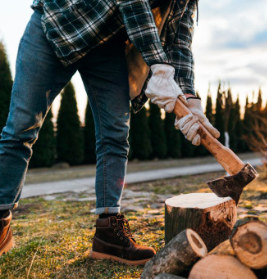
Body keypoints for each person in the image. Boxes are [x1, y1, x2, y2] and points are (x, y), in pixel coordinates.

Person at [0, 0, 219, 265]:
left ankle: (108, 232)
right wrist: (159, 67)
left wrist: (190, 98)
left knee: (115, 134)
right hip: (59, 22)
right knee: (21, 128)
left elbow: (179, 41)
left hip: (107, 42)